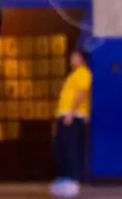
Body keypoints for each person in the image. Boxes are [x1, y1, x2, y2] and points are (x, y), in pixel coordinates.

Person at [51, 52, 92, 198]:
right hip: (65, 116)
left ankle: (73, 179)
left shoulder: (83, 73)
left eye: (74, 57)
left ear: (81, 58)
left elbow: (81, 93)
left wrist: (71, 113)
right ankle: (67, 177)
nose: (71, 60)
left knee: (71, 147)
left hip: (73, 117)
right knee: (62, 147)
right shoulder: (72, 75)